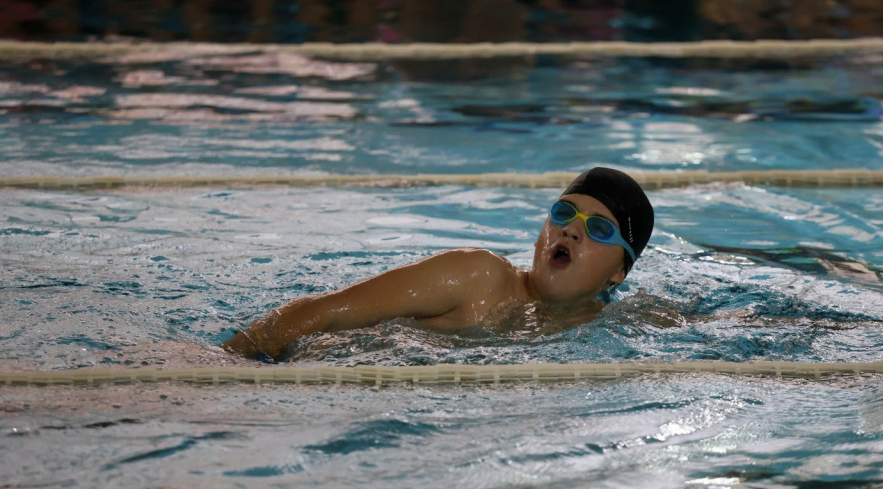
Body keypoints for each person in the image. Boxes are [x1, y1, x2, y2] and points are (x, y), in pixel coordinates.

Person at [223, 167, 655, 360]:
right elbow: (324, 310)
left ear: (619, 271)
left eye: (599, 229)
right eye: (563, 213)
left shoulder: (615, 326)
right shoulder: (479, 276)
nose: (571, 230)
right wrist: (224, 364)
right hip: (304, 372)